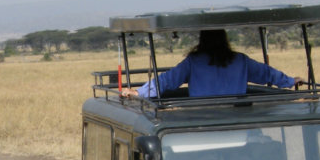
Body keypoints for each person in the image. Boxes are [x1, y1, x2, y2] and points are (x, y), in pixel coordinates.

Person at [120, 29, 305, 98]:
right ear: (225, 39)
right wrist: (289, 81)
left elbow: (168, 80)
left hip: (202, 119)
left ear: (202, 40)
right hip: (236, 119)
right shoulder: (240, 60)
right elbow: (267, 74)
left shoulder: (193, 62)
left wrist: (138, 92)